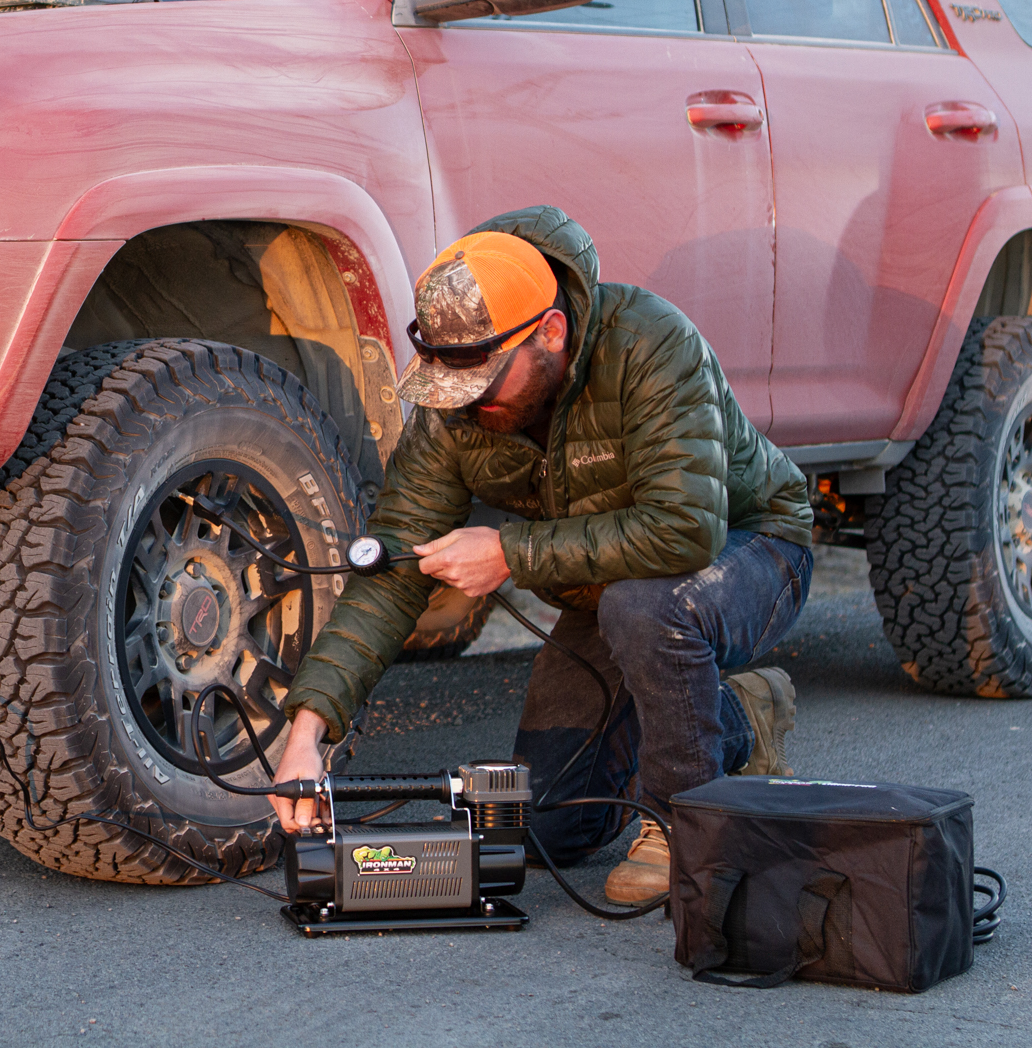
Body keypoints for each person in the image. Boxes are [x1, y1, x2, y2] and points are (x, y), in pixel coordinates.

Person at [270, 206, 814, 904]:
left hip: (747, 551)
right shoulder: (455, 410)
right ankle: (734, 714)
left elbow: (686, 530)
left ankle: (683, 824)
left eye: (484, 385)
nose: (466, 406)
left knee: (645, 606)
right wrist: (309, 729)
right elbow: (394, 574)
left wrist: (510, 552)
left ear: (550, 334)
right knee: (542, 828)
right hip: (608, 590)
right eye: (450, 386)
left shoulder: (649, 342)